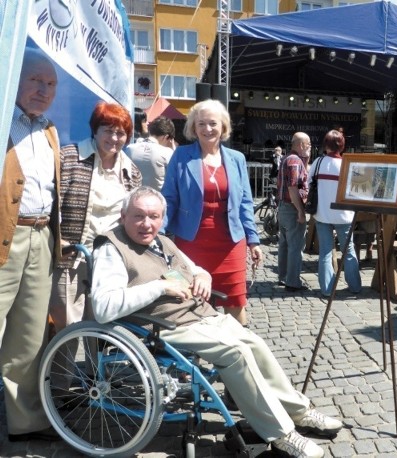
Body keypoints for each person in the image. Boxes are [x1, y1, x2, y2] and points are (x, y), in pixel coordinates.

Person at [92, 187, 341, 457]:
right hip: (162, 325)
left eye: (154, 216)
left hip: (199, 315)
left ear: (163, 217)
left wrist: (203, 277)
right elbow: (104, 308)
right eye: (138, 216)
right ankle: (281, 433)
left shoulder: (161, 241)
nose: (147, 223)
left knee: (254, 342)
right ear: (123, 215)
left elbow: (194, 268)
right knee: (236, 353)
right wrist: (159, 288)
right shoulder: (111, 249)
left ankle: (299, 411)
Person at [0, 47, 62, 442]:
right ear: (14, 80)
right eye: (35, 80)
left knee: (29, 334)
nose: (43, 89)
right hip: (5, 236)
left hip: (41, 237)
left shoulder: (50, 129)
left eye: (50, 84)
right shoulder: (2, 121)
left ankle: (25, 420)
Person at [162, 99, 262, 326]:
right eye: (201, 124)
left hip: (231, 243)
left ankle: (238, 352)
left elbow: (245, 202)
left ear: (223, 126)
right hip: (192, 242)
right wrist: (158, 234)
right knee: (196, 302)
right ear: (193, 128)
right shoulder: (181, 156)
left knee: (236, 302)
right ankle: (201, 355)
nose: (207, 129)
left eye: (213, 123)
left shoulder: (237, 159)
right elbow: (169, 198)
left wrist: (253, 241)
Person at [50, 101, 142, 336]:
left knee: (102, 324)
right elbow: (51, 203)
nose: (114, 138)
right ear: (95, 130)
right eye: (108, 130)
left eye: (121, 132)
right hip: (71, 256)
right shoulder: (69, 157)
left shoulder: (131, 172)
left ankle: (94, 374)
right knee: (66, 325)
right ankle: (63, 373)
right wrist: (56, 239)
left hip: (109, 260)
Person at [308, 130, 361, 297]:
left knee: (325, 251)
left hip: (322, 213)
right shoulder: (348, 164)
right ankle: (355, 286)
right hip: (344, 215)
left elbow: (310, 184)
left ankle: (326, 289)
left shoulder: (317, 162)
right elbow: (356, 190)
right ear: (342, 146)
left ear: (325, 145)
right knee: (349, 250)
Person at [277, 131, 311, 291]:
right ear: (302, 145)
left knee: (284, 244)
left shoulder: (287, 159)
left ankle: (283, 276)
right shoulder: (295, 161)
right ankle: (292, 281)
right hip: (292, 208)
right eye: (309, 144)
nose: (310, 147)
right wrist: (301, 211)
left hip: (283, 207)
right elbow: (293, 188)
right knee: (295, 246)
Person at [127, 116, 176, 192]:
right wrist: (174, 149)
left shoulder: (129, 149)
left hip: (133, 197)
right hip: (157, 198)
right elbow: (176, 175)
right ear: (166, 137)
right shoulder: (167, 152)